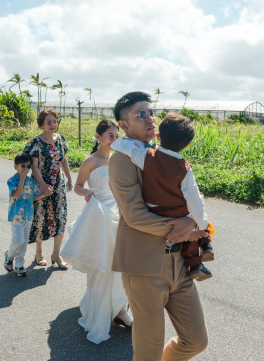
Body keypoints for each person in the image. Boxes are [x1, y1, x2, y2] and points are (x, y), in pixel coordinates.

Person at [109, 92, 208, 361]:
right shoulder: (121, 159)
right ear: (124, 125)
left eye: (151, 112)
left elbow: (191, 196)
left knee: (196, 340)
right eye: (141, 114)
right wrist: (186, 228)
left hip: (180, 261)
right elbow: (134, 215)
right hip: (143, 266)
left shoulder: (165, 155)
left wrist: (190, 221)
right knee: (148, 348)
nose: (150, 118)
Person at [111, 112, 215, 281]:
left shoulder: (147, 157)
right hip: (177, 213)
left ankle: (199, 258)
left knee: (191, 225)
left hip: (154, 210)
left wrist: (116, 142)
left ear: (158, 137)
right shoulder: (184, 169)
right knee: (198, 222)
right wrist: (200, 224)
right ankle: (202, 252)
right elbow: (194, 200)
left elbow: (128, 149)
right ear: (187, 144)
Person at [60, 119, 133, 344]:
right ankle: (101, 308)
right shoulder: (90, 161)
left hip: (122, 214)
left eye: (116, 135)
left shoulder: (123, 159)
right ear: (98, 137)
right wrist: (87, 194)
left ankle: (120, 308)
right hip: (100, 215)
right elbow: (78, 186)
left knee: (124, 265)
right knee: (103, 264)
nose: (114, 139)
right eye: (110, 135)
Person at [23, 108, 74, 269]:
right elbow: (34, 167)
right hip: (40, 185)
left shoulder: (60, 140)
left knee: (60, 217)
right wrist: (44, 186)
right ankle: (39, 252)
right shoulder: (35, 142)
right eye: (48, 122)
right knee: (40, 218)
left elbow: (63, 160)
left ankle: (56, 255)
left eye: (55, 121)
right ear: (42, 124)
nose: (53, 124)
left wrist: (70, 178)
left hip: (58, 185)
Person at [3, 153, 49, 277]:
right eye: (23, 166)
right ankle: (9, 255)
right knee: (18, 239)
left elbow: (33, 197)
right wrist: (22, 180)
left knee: (24, 242)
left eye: (28, 166)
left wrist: (45, 194)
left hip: (28, 215)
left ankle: (19, 265)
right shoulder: (12, 180)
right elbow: (17, 195)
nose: (26, 169)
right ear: (15, 166)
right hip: (16, 215)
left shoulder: (31, 182)